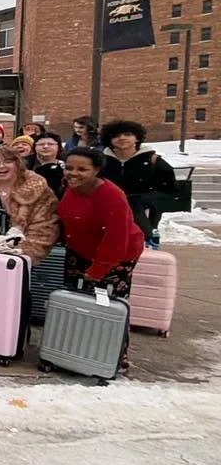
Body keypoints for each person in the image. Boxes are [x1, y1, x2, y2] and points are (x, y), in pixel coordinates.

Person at [58, 148, 146, 371]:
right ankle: (75, 351)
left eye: (82, 169)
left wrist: (99, 269)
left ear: (96, 170)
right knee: (76, 302)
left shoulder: (111, 195)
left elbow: (116, 237)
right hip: (79, 252)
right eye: (69, 168)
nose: (73, 173)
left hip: (116, 256)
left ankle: (114, 356)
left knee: (107, 305)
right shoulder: (71, 188)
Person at [99, 120, 177, 242]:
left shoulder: (153, 161)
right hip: (106, 217)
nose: (122, 138)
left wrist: (140, 200)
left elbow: (169, 190)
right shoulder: (100, 161)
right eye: (116, 135)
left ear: (137, 138)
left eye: (128, 134)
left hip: (143, 219)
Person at [32, 133, 66, 200]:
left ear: (58, 147)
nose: (45, 146)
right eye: (41, 144)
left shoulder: (65, 167)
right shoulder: (26, 164)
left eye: (50, 144)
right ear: (34, 147)